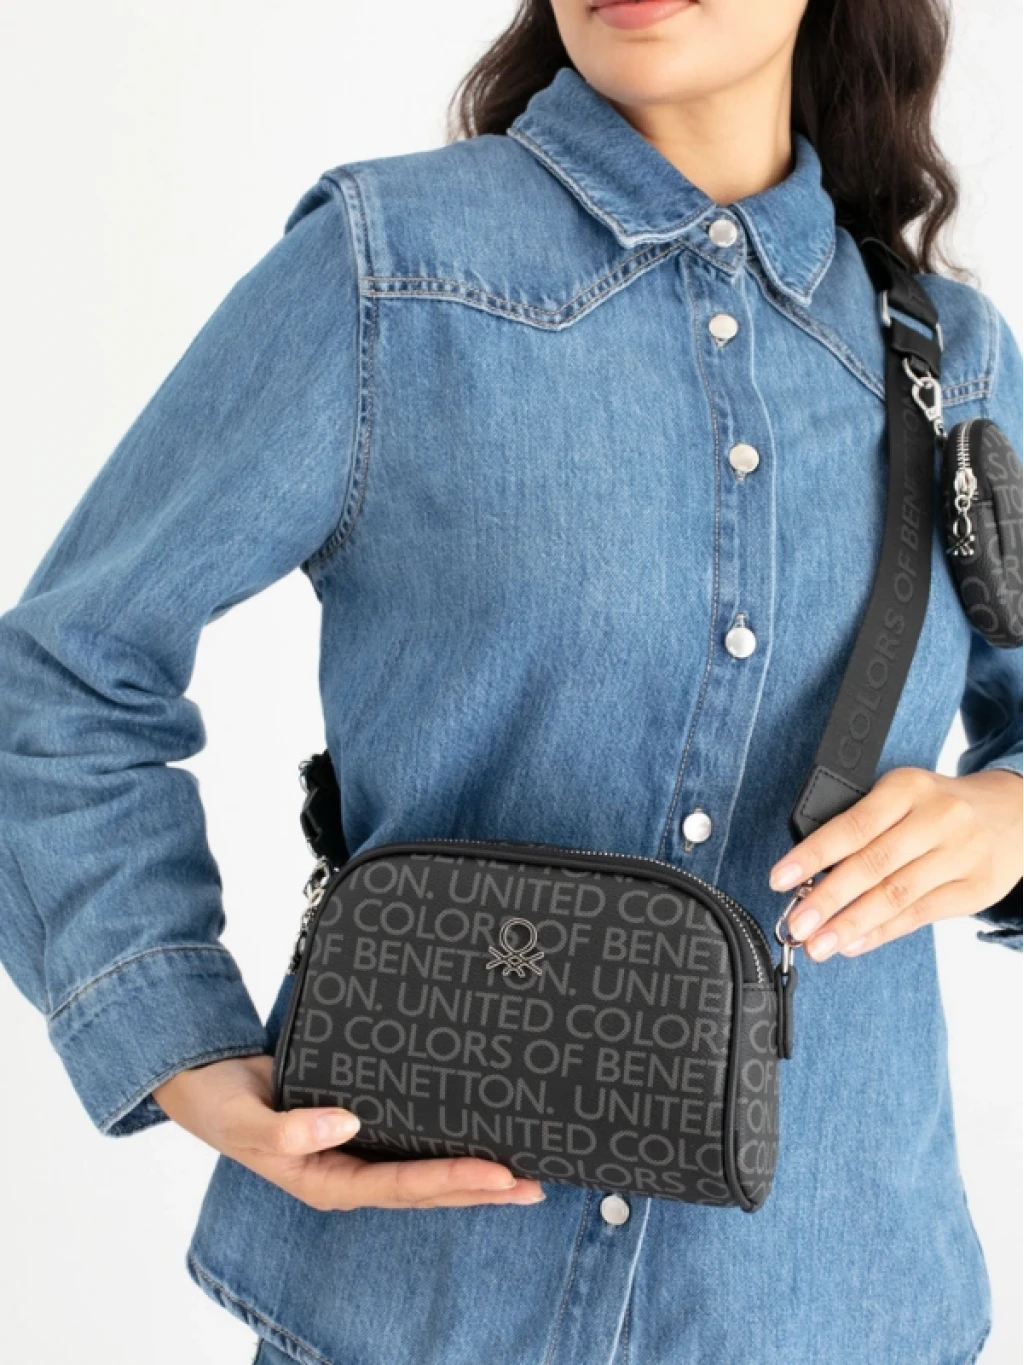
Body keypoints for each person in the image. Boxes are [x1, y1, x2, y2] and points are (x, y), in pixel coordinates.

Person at [2, 0, 1022, 1361]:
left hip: (829, 1307)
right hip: (420, 1304)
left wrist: (1007, 815)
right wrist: (173, 1036)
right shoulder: (385, 271)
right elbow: (63, 676)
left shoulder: (948, 357)